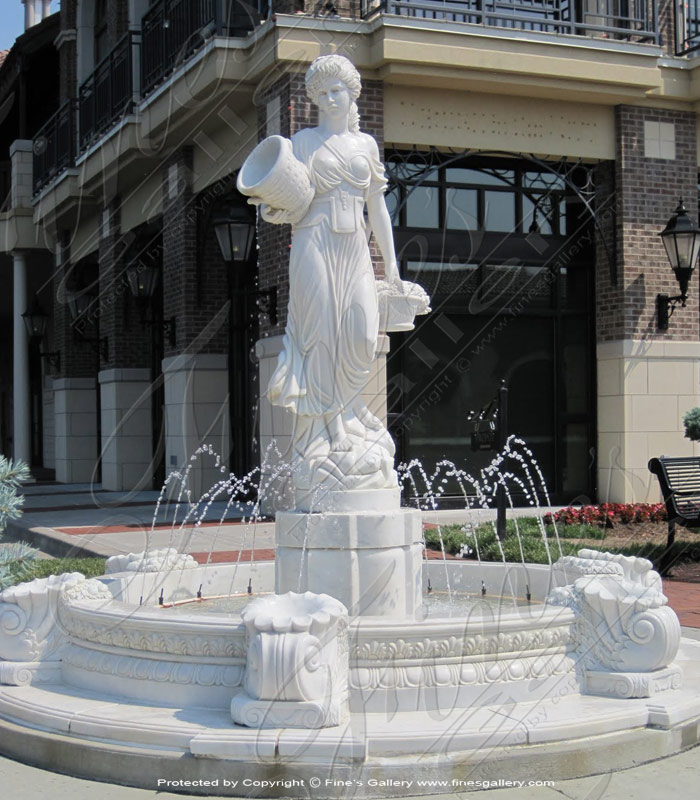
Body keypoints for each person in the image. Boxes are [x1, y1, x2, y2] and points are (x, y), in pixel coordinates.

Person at [253, 55, 422, 494]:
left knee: (363, 334)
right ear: (313, 99)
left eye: (336, 91)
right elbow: (287, 201)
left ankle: (348, 411)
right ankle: (330, 427)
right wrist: (271, 206)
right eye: (321, 93)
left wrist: (393, 268)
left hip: (355, 248)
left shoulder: (366, 144)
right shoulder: (303, 143)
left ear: (351, 94)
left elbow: (378, 209)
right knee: (321, 335)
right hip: (314, 243)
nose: (329, 99)